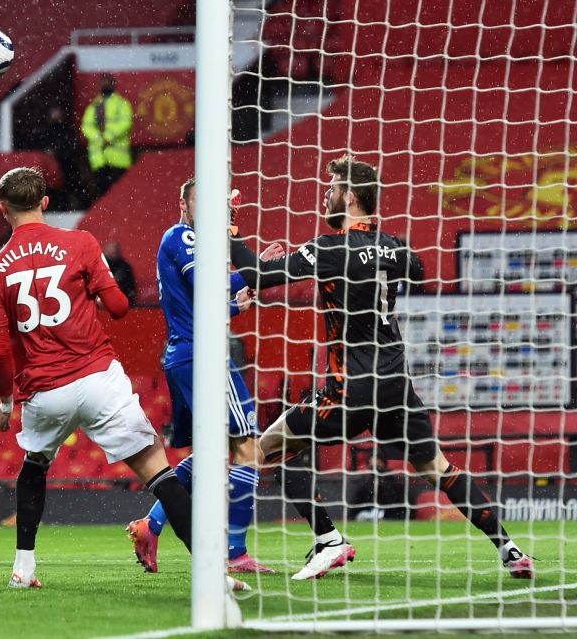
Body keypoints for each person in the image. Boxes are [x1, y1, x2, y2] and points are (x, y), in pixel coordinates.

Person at [229, 154, 534, 580]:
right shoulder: (398, 247)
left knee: (266, 449)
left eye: (332, 188)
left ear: (350, 196)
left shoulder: (328, 250)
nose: (325, 195)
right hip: (396, 384)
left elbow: (258, 274)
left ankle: (328, 540)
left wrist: (230, 231)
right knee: (438, 469)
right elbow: (418, 272)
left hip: (351, 386)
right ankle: (510, 549)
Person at [0, 166, 248, 591]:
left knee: (34, 467)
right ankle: (213, 574)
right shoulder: (80, 243)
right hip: (97, 379)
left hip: (45, 391)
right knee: (159, 473)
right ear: (45, 202)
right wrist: (94, 290)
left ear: (2, 208)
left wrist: (6, 402)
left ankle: (23, 568)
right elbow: (121, 307)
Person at [127, 177, 275, 576]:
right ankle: (235, 553)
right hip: (203, 356)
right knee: (247, 448)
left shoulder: (182, 241)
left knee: (208, 455)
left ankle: (150, 524)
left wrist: (236, 306)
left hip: (184, 354)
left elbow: (200, 302)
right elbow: (208, 283)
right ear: (183, 202)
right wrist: (258, 268)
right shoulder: (183, 237)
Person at [81, 73, 133, 199]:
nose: (105, 84)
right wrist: (99, 137)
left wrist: (108, 136)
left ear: (113, 84)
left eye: (108, 81)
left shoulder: (121, 104)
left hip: (118, 159)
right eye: (103, 82)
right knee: (102, 195)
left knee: (119, 195)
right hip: (99, 158)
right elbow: (86, 126)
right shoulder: (94, 106)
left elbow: (126, 122)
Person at [30, 104, 85, 211]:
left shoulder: (67, 130)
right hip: (53, 171)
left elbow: (71, 147)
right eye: (54, 110)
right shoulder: (45, 131)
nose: (56, 114)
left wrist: (56, 151)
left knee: (70, 189)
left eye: (58, 110)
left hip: (67, 166)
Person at [349, 447, 415, 521]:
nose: (376, 467)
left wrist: (387, 519)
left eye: (378, 463)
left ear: (384, 463)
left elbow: (406, 511)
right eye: (372, 466)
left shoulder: (396, 486)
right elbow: (353, 511)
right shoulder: (365, 487)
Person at [102, 240, 138, 306]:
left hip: (122, 303)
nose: (111, 254)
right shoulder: (101, 266)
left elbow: (129, 288)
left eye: (113, 252)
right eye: (109, 252)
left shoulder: (124, 267)